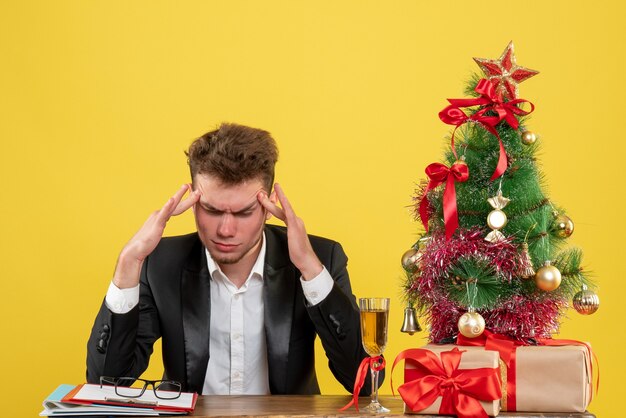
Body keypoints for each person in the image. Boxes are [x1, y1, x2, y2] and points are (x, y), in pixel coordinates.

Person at [86, 123, 379, 395]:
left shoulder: (320, 258)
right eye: (212, 210)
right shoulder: (160, 263)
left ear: (268, 207)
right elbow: (105, 382)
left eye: (243, 213)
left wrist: (311, 271)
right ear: (192, 203)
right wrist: (128, 262)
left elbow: (365, 383)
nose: (226, 230)